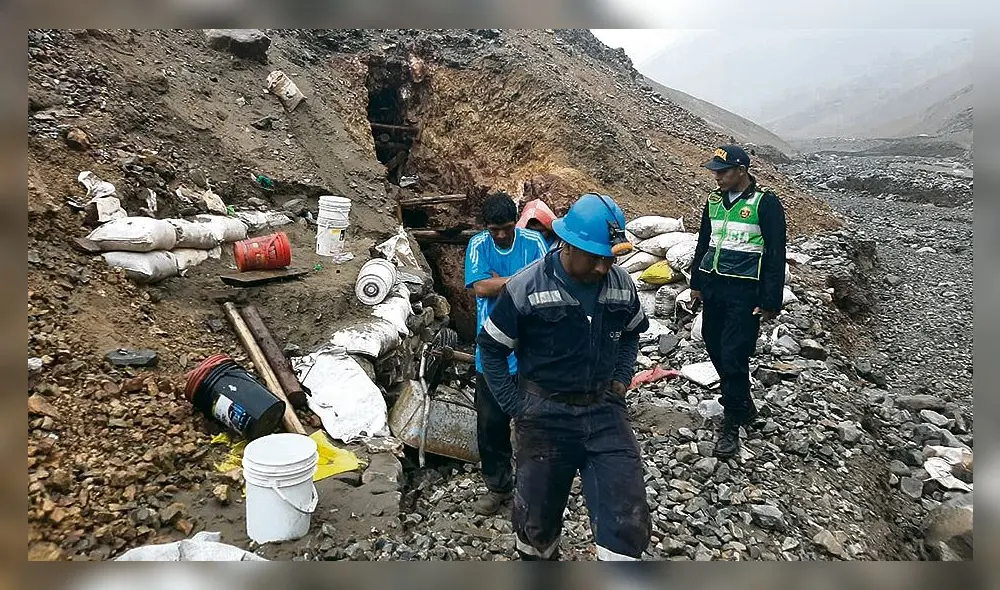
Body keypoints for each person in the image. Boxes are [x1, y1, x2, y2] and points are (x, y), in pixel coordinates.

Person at [477, 193, 651, 561]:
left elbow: (631, 333)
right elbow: (491, 349)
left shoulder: (621, 284)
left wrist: (621, 377)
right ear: (568, 244)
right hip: (544, 415)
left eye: (609, 257)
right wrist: (515, 405)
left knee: (627, 517)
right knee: (536, 522)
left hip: (604, 411)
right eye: (595, 257)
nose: (603, 267)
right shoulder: (526, 286)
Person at [690, 145, 787, 458]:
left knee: (734, 353)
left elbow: (775, 253)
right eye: (715, 172)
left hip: (744, 292)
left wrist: (771, 300)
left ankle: (732, 421)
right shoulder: (713, 201)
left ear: (742, 171)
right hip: (714, 286)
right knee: (713, 343)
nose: (717, 177)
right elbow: (704, 243)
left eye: (723, 171)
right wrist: (696, 283)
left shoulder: (765, 203)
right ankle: (744, 402)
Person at [464, 192, 549, 516]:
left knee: (535, 421)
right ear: (486, 227)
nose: (500, 235)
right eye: (494, 229)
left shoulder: (534, 242)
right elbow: (480, 287)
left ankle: (535, 486)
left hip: (531, 349)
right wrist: (523, 279)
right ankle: (498, 486)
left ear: (516, 222)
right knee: (491, 425)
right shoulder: (477, 245)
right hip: (492, 353)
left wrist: (499, 282)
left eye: (506, 228)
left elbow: (547, 280)